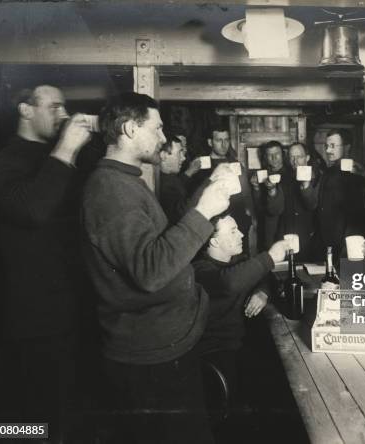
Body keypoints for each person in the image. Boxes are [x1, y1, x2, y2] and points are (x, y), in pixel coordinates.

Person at [81, 92, 233, 444]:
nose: (164, 139)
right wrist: (202, 212)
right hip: (152, 357)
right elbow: (150, 271)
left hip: (164, 345)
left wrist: (207, 191)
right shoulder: (110, 190)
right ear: (131, 129)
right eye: (158, 128)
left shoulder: (126, 180)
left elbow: (163, 240)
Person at [0, 84, 92, 440]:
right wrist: (66, 149)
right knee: (31, 419)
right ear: (25, 110)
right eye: (54, 107)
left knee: (64, 413)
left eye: (65, 109)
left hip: (66, 311)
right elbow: (33, 210)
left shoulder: (52, 157)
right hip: (29, 321)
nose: (63, 116)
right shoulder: (1, 164)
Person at [193, 214, 289, 401]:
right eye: (233, 231)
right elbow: (227, 283)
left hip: (239, 344)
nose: (242, 234)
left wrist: (262, 292)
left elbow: (262, 276)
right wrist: (269, 257)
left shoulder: (237, 261)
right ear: (213, 242)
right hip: (215, 352)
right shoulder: (199, 270)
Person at [189, 123, 257, 254]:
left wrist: (250, 217)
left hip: (238, 220)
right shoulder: (200, 165)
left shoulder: (236, 164)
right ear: (210, 142)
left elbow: (246, 193)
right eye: (219, 140)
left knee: (240, 258)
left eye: (226, 140)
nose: (223, 144)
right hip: (213, 224)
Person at [303, 128, 365, 261]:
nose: (327, 151)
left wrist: (346, 248)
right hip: (326, 243)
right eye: (327, 146)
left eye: (333, 146)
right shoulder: (328, 171)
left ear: (347, 147)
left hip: (343, 245)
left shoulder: (355, 173)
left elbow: (356, 217)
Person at [262, 142, 321, 260]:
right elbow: (275, 210)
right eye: (291, 157)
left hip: (309, 238)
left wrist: (306, 185)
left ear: (307, 158)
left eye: (299, 157)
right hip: (286, 236)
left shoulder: (318, 178)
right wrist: (272, 190)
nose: (295, 161)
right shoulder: (283, 178)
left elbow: (312, 205)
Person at [158, 133, 192, 224]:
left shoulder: (171, 178)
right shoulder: (163, 185)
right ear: (164, 155)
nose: (183, 158)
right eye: (179, 153)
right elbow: (182, 217)